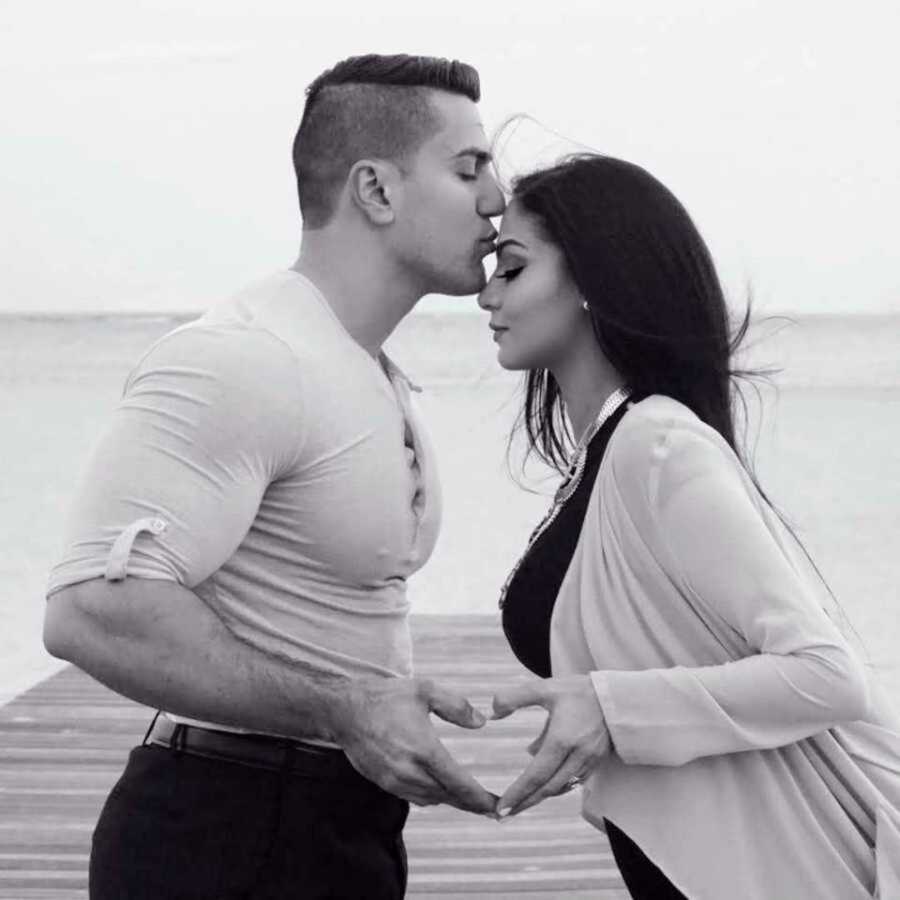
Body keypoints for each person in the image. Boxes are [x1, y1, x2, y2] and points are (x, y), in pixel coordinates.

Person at [42, 53, 505, 900]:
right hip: (221, 835)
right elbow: (91, 613)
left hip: (336, 827)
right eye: (470, 167)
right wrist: (346, 710)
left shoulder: (359, 366)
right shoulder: (244, 358)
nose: (498, 198)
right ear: (375, 190)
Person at [477, 153, 900, 899]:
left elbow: (827, 675)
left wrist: (610, 710)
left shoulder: (659, 445)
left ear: (591, 283)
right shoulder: (607, 456)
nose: (486, 295)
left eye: (512, 269)